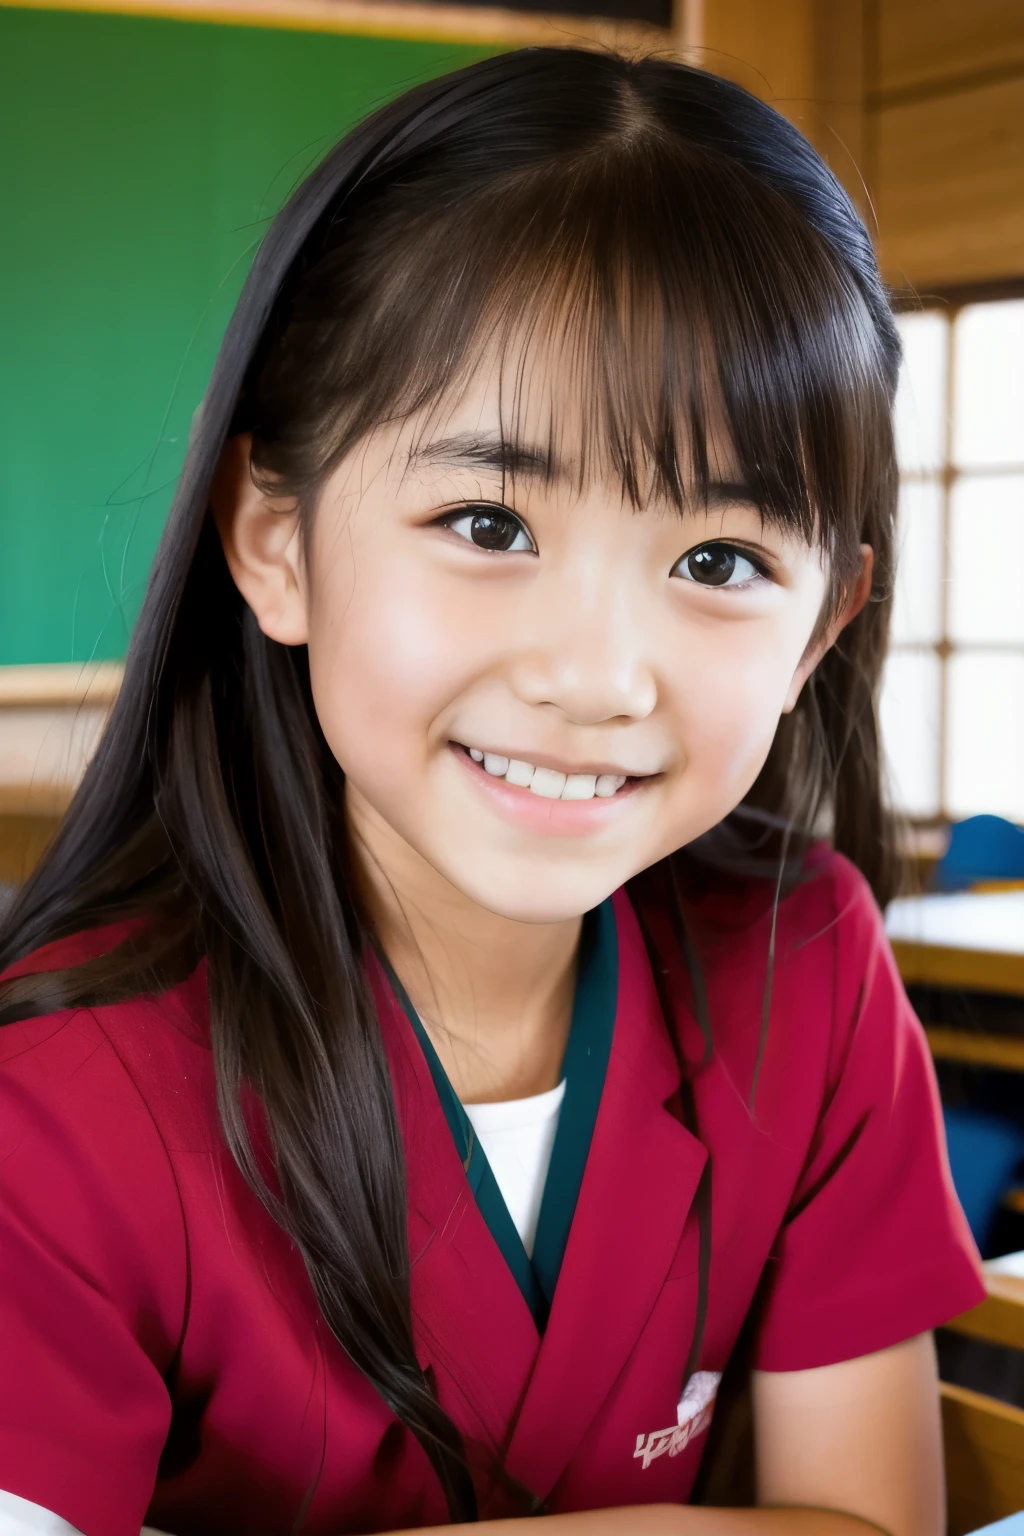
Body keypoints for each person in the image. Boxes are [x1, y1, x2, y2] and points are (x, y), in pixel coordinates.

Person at [0, 47, 983, 1536]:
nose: (597, 677)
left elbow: (870, 1523)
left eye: (719, 563)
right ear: (275, 542)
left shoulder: (805, 960)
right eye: (485, 520)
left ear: (823, 630)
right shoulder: (58, 1100)